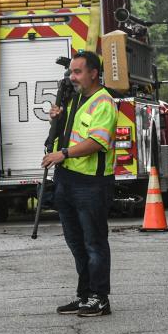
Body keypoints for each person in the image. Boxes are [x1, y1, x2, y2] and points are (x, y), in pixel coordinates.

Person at [41, 51, 117, 317]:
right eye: (71, 72)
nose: (72, 77)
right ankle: (84, 294)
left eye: (78, 72)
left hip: (91, 184)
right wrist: (57, 119)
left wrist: (63, 154)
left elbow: (97, 142)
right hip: (67, 179)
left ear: (93, 73)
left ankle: (99, 297)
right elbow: (68, 134)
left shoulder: (103, 102)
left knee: (94, 242)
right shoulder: (75, 100)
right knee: (76, 242)